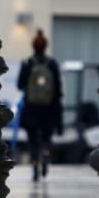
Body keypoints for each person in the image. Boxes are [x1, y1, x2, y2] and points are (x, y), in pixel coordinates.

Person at [17, 29, 63, 182]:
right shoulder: (52, 64)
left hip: (31, 107)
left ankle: (35, 161)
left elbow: (20, 85)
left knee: (32, 138)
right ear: (45, 46)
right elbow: (57, 89)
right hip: (49, 107)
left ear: (33, 46)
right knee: (46, 135)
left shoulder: (27, 63)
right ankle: (45, 152)